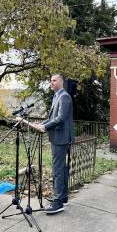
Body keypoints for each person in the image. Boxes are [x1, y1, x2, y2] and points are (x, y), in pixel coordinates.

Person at [35, 74, 75, 214]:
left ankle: (58, 203)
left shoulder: (64, 96)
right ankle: (62, 197)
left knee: (57, 170)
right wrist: (42, 123)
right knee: (61, 169)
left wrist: (45, 127)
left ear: (61, 82)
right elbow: (52, 117)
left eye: (54, 80)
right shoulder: (56, 96)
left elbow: (61, 118)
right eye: (50, 80)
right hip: (57, 137)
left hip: (61, 138)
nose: (51, 83)